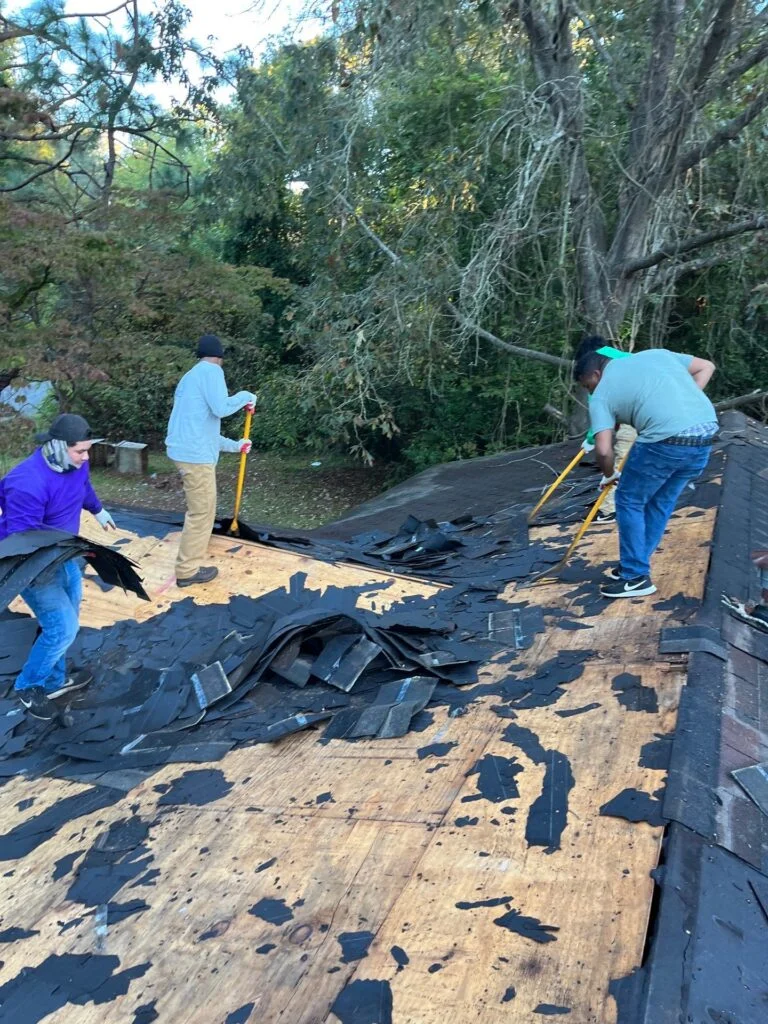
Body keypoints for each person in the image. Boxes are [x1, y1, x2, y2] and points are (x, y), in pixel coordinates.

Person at [574, 348, 717, 599]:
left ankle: (635, 576)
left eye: (589, 385)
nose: (591, 392)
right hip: (705, 436)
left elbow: (605, 451)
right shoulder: (657, 355)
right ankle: (635, 565)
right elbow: (707, 366)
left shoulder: (602, 394)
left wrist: (609, 476)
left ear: (596, 373)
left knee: (628, 500)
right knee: (660, 503)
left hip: (665, 442)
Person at [0, 413, 116, 719]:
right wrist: (68, 551)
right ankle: (29, 686)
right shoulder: (26, 483)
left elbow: (83, 486)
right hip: (32, 563)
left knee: (67, 620)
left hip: (65, 553)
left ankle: (55, 680)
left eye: (87, 450)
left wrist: (98, 511)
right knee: (63, 628)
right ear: (57, 447)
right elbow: (26, 542)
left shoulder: (76, 462)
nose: (86, 457)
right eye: (80, 451)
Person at [165, 334, 256, 587]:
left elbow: (203, 429)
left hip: (185, 451)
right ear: (220, 357)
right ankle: (186, 571)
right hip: (195, 458)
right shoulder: (211, 373)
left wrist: (236, 446)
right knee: (201, 512)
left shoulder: (190, 377)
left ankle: (194, 551)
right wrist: (246, 396)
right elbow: (222, 409)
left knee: (202, 509)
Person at [575, 336, 635, 524]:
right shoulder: (624, 357)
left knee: (617, 461)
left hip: (633, 412)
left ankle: (609, 510)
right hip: (655, 412)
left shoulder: (595, 369)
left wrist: (591, 439)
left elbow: (601, 416)